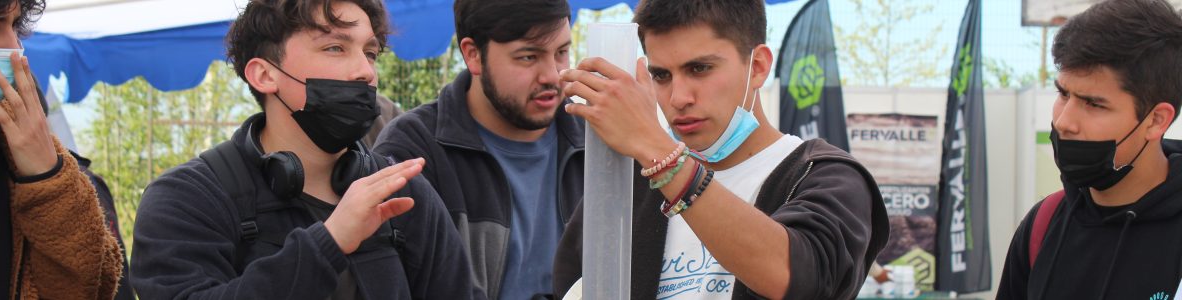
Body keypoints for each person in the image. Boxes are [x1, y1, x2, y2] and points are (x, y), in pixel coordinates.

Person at [129, 0, 480, 298]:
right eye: (335, 48)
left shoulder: (404, 194)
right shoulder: (186, 198)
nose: (365, 72)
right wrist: (328, 243)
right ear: (265, 75)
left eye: (370, 53)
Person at [551, 0, 889, 299]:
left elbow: (799, 279)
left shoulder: (826, 175)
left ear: (757, 66)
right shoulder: (629, 185)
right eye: (661, 74)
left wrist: (659, 154)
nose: (679, 97)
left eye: (699, 69)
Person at [373, 0, 582, 298]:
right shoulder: (413, 152)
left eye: (561, 52)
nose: (552, 75)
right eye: (528, 57)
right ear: (473, 55)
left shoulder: (595, 143)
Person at [996, 0, 1182, 299]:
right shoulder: (1041, 225)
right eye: (1063, 93)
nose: (1064, 121)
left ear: (1156, 120)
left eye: (1094, 104)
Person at [0, 0, 123, 299]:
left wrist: (48, 177)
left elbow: (96, 284)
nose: (12, 46)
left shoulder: (16, 142)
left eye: (14, 26)